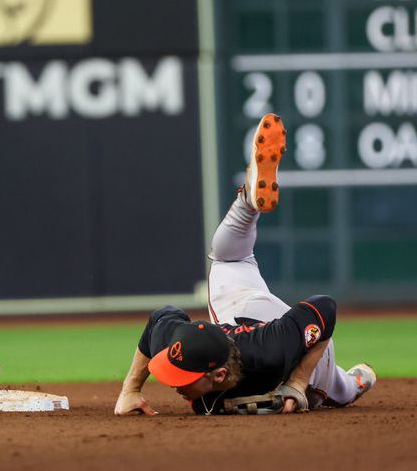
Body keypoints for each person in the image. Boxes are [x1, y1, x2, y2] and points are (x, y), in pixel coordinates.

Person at [114, 113, 375, 416]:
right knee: (227, 259)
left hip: (286, 336)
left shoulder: (272, 353)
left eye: (183, 376)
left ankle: (357, 380)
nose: (173, 382)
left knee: (334, 390)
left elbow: (325, 308)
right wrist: (129, 390)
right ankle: (247, 203)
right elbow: (161, 318)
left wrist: (298, 381)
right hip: (240, 308)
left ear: (219, 375)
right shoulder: (179, 341)